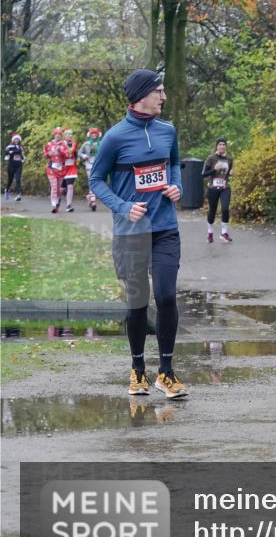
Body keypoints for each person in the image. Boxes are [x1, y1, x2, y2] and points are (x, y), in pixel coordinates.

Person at [88, 69, 187, 398]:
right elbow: (96, 181)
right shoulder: (115, 137)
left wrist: (177, 186)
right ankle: (137, 369)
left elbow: (174, 164)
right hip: (131, 233)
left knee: (167, 295)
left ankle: (167, 373)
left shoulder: (168, 131)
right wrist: (121, 206)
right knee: (137, 305)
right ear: (141, 96)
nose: (164, 97)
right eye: (159, 91)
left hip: (164, 228)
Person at [201, 137, 234, 243]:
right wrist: (214, 169)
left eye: (224, 144)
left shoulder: (229, 159)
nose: (222, 146)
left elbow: (227, 173)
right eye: (220, 144)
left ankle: (224, 233)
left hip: (225, 188)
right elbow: (204, 174)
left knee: (225, 209)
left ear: (226, 147)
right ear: (216, 146)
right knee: (212, 211)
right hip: (213, 188)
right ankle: (210, 233)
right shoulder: (211, 158)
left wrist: (231, 173)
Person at [43, 127, 69, 213]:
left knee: (58, 188)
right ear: (54, 135)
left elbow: (68, 155)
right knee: (54, 187)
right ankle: (53, 205)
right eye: (56, 134)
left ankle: (57, 201)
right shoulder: (49, 144)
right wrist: (48, 154)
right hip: (51, 168)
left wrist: (61, 151)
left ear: (61, 136)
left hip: (61, 169)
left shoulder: (63, 145)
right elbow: (45, 155)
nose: (57, 136)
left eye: (59, 135)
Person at [78, 127, 102, 211]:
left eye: (95, 133)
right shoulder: (86, 144)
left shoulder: (101, 143)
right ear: (90, 135)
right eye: (92, 133)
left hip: (98, 165)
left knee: (96, 182)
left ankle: (90, 197)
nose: (94, 135)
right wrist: (84, 156)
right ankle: (93, 200)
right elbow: (79, 152)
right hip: (89, 165)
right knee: (92, 181)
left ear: (98, 134)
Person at [61, 128, 79, 212]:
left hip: (71, 167)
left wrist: (77, 159)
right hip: (62, 167)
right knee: (62, 189)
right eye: (67, 134)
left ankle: (68, 205)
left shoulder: (74, 143)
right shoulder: (61, 144)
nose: (69, 136)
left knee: (70, 186)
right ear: (64, 135)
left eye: (70, 134)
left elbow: (75, 154)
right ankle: (57, 201)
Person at [4, 133, 24, 201]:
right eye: (15, 139)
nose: (17, 140)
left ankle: (18, 195)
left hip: (19, 165)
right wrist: (7, 156)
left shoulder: (20, 147)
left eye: (18, 139)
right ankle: (7, 190)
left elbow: (22, 155)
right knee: (10, 180)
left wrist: (23, 159)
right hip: (11, 165)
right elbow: (6, 154)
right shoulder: (9, 147)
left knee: (18, 179)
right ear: (13, 140)